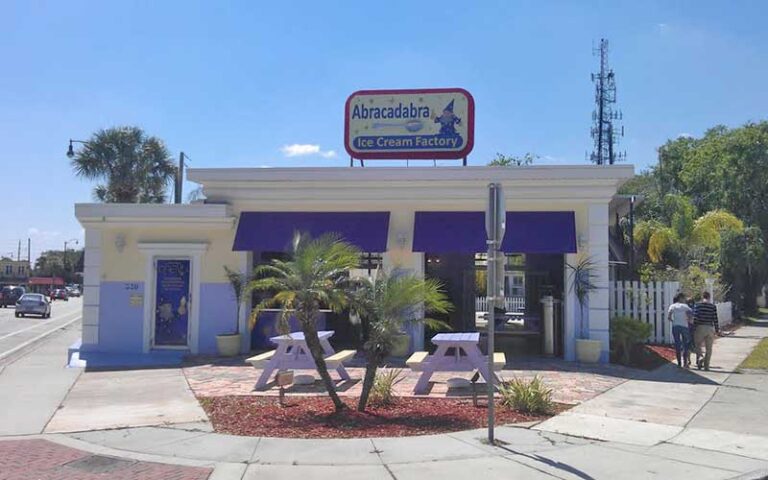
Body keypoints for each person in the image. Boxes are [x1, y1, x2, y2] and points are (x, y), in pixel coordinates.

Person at [693, 291, 720, 371]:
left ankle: (700, 358)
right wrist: (717, 329)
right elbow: (715, 318)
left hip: (700, 327)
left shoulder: (698, 306)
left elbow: (695, 317)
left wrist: (694, 327)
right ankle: (706, 365)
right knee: (709, 348)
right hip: (709, 327)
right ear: (709, 297)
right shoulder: (712, 306)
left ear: (702, 297)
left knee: (698, 345)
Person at [668, 293, 694, 368]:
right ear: (680, 298)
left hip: (675, 326)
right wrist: (689, 321)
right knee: (685, 344)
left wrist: (673, 321)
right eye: (683, 298)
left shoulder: (672, 306)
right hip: (684, 326)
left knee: (677, 344)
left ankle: (679, 363)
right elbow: (690, 315)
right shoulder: (685, 306)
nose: (684, 299)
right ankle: (685, 362)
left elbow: (669, 317)